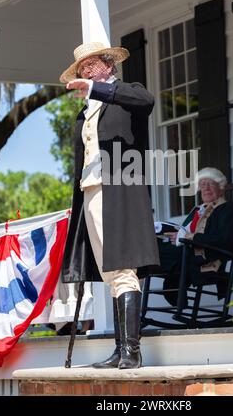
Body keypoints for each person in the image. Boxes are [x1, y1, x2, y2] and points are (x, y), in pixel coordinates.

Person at [59, 42, 159, 369]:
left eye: (91, 66)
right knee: (110, 270)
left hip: (120, 189)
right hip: (91, 191)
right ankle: (120, 349)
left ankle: (132, 350)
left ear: (107, 64)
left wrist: (98, 90)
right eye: (82, 69)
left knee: (124, 266)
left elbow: (147, 101)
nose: (86, 72)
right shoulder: (86, 109)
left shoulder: (126, 94)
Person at [162, 167, 233, 304]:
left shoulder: (228, 210)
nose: (206, 188)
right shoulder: (198, 210)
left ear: (221, 187)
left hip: (206, 260)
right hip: (187, 252)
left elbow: (224, 241)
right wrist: (175, 235)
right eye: (202, 184)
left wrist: (190, 238)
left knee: (153, 257)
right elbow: (184, 231)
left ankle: (171, 288)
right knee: (151, 249)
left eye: (210, 183)